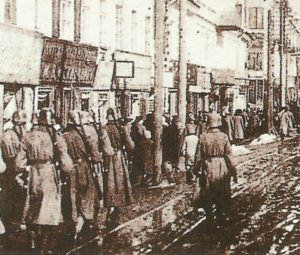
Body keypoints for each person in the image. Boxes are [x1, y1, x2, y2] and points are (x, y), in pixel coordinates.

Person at [16, 108, 73, 254]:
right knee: (48, 210)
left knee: (32, 206)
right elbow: (65, 160)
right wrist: (67, 170)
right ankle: (44, 245)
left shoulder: (28, 136)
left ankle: (33, 241)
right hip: (48, 172)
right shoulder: (54, 136)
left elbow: (19, 162)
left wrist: (24, 169)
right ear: (50, 120)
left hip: (34, 173)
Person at [194, 113, 237, 230]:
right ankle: (220, 215)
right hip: (222, 165)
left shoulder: (203, 137)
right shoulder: (223, 136)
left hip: (208, 166)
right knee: (222, 191)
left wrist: (196, 169)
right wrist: (234, 171)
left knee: (207, 192)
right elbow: (229, 156)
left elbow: (198, 156)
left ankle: (209, 217)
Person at [63, 110, 102, 241]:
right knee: (88, 196)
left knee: (73, 196)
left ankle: (75, 222)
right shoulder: (84, 135)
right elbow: (95, 156)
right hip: (84, 168)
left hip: (70, 169)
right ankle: (85, 223)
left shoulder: (64, 135)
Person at [0, 110, 28, 250]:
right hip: (10, 175)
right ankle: (9, 233)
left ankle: (14, 229)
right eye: (21, 124)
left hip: (20, 174)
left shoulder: (22, 135)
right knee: (10, 204)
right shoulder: (8, 136)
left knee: (20, 203)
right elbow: (10, 158)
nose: (22, 126)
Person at [103, 108, 133, 230]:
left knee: (109, 182)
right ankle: (116, 205)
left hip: (106, 158)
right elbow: (130, 144)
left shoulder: (103, 128)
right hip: (118, 157)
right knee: (119, 181)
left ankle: (110, 204)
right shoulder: (120, 128)